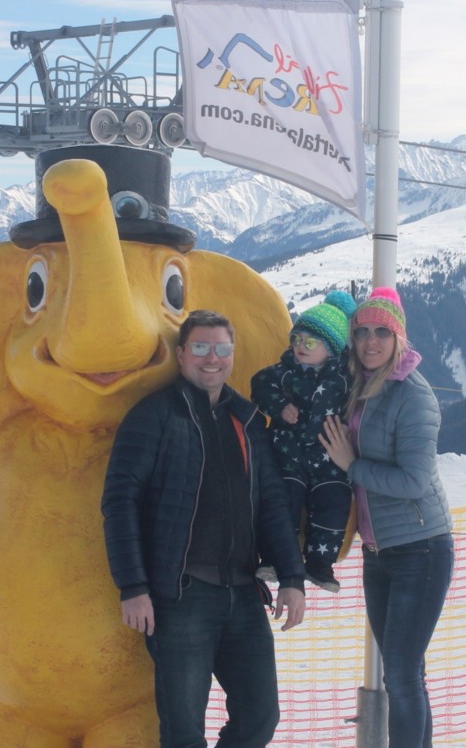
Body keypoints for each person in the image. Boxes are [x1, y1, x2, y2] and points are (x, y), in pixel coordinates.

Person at [102, 309, 307, 747]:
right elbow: (120, 503)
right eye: (200, 347)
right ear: (181, 354)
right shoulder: (153, 416)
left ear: (232, 355)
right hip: (180, 598)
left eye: (221, 349)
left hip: (243, 594)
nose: (212, 358)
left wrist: (292, 577)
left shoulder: (247, 421)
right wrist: (133, 586)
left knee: (260, 717)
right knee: (184, 732)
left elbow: (272, 504)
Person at [319, 286, 453, 748]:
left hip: (421, 549)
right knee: (405, 672)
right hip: (379, 553)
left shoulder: (413, 395)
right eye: (362, 332)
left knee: (400, 673)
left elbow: (414, 481)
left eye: (382, 332)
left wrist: (351, 466)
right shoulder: (361, 385)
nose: (370, 341)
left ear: (399, 338)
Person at [250, 290, 356, 592]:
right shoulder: (284, 371)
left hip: (328, 455)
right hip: (289, 451)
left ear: (331, 348)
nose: (300, 346)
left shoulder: (344, 378)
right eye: (296, 339)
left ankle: (321, 563)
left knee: (334, 501)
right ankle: (275, 557)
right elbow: (259, 384)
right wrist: (279, 407)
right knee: (284, 500)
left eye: (310, 342)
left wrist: (351, 430)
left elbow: (363, 403)